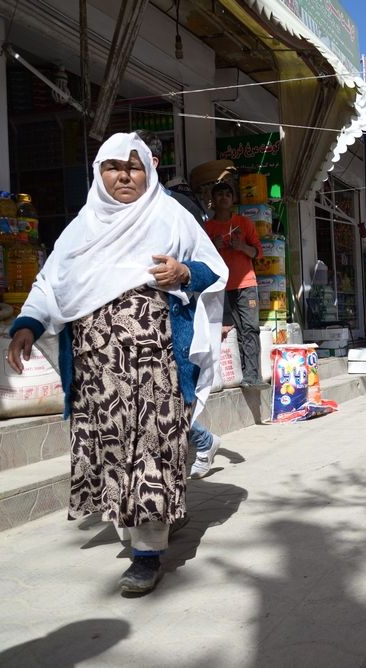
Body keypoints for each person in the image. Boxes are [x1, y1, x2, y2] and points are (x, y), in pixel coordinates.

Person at [7, 133, 228, 593]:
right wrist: (27, 323)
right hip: (96, 369)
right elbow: (51, 284)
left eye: (134, 167)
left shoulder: (171, 216)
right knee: (111, 449)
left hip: (156, 362)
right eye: (113, 166)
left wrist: (185, 272)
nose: (124, 176)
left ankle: (146, 555)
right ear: (99, 173)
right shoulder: (81, 228)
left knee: (153, 445)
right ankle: (152, 524)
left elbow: (212, 267)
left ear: (149, 172)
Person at [134, 129, 224, 479]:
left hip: (167, 333)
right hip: (116, 345)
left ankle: (162, 513)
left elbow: (214, 269)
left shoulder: (178, 210)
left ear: (152, 164)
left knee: (165, 415)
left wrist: (184, 271)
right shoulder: (99, 216)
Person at [205, 181, 266, 388]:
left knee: (250, 328)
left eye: (228, 195)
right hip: (220, 287)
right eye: (219, 194)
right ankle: (234, 376)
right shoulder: (207, 229)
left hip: (246, 284)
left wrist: (243, 247)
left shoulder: (244, 223)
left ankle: (251, 376)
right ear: (212, 200)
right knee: (227, 332)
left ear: (232, 200)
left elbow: (259, 252)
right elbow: (200, 259)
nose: (224, 198)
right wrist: (212, 247)